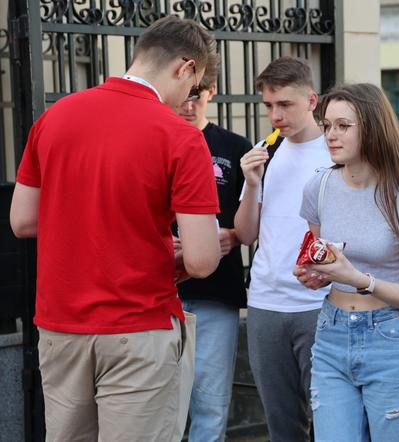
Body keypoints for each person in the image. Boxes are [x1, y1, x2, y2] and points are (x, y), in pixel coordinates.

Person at [9, 16, 221, 442]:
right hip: (139, 326)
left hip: (60, 327)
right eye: (193, 86)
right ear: (186, 67)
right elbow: (201, 260)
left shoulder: (55, 118)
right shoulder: (180, 137)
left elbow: (22, 220)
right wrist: (171, 252)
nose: (188, 98)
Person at [294, 83, 399, 441]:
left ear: (370, 127)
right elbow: (324, 260)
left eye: (343, 126)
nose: (331, 135)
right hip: (331, 334)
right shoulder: (318, 188)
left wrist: (358, 278)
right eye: (327, 126)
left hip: (390, 337)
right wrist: (315, 274)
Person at [233, 56, 331, 442]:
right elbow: (245, 234)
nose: (275, 115)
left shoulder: (335, 151)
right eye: (268, 106)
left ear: (311, 100)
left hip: (319, 303)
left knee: (329, 419)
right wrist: (252, 183)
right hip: (265, 303)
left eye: (285, 105)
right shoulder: (264, 150)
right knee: (281, 423)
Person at [173, 70, 252, 441]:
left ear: (213, 91)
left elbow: (254, 218)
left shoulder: (235, 147)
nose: (188, 106)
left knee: (210, 399)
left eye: (197, 96)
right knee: (160, 401)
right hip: (160, 290)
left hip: (216, 290)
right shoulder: (156, 138)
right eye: (183, 96)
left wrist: (234, 235)